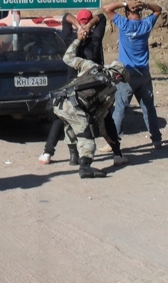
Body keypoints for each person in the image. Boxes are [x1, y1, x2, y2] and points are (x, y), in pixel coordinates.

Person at [51, 36, 129, 178]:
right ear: (118, 77)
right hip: (74, 107)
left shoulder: (90, 65)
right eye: (120, 81)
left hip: (58, 101)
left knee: (70, 124)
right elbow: (101, 117)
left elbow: (67, 58)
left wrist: (77, 40)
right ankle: (85, 167)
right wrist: (108, 138)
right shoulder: (110, 88)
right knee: (86, 135)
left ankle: (74, 157)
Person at [39, 9, 108, 165]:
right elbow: (102, 17)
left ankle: (48, 153)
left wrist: (79, 26)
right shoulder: (95, 38)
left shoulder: (70, 38)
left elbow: (66, 17)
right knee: (103, 116)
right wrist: (89, 26)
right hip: (91, 86)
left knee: (61, 117)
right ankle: (117, 153)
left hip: (71, 85)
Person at [102, 0, 163, 149]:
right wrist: (146, 4)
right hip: (143, 73)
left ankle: (113, 142)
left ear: (127, 12)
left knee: (120, 108)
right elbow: (158, 10)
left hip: (126, 73)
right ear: (140, 12)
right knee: (148, 108)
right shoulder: (146, 25)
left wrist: (124, 3)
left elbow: (106, 8)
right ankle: (156, 139)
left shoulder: (124, 24)